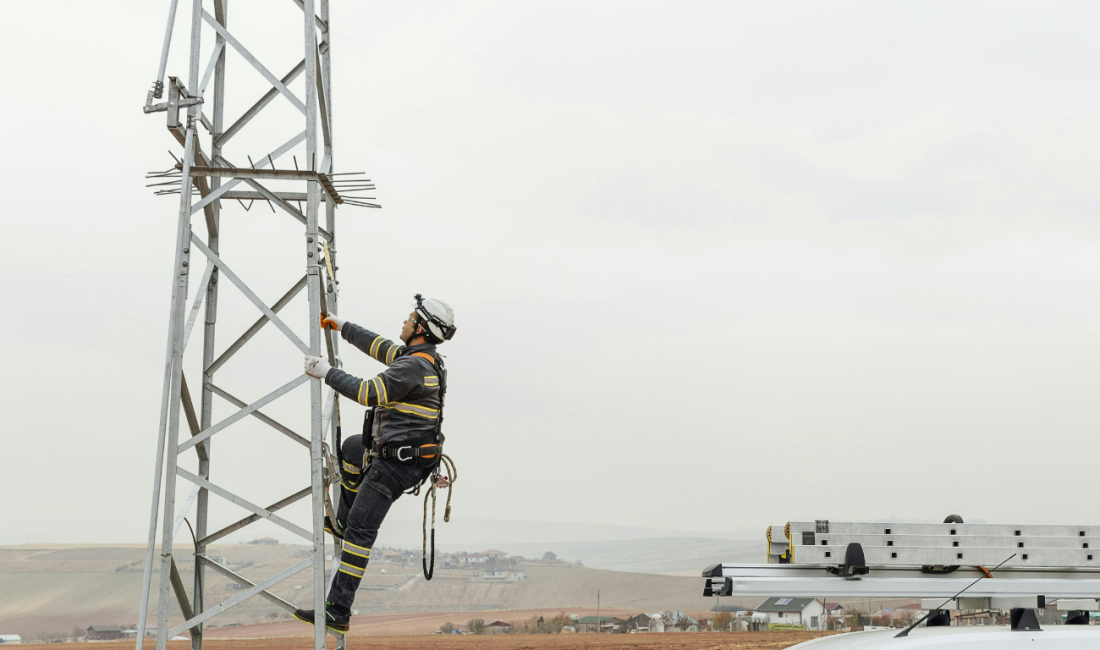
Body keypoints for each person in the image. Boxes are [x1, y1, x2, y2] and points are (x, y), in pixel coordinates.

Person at [293, 294, 456, 634]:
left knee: (360, 533)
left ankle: (338, 609)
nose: (405, 322)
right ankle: (341, 520)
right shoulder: (422, 359)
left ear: (421, 328)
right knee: (353, 448)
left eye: (410, 318)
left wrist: (326, 373)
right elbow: (378, 346)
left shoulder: (413, 367)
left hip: (397, 465)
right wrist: (342, 326)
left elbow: (369, 392)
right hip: (402, 457)